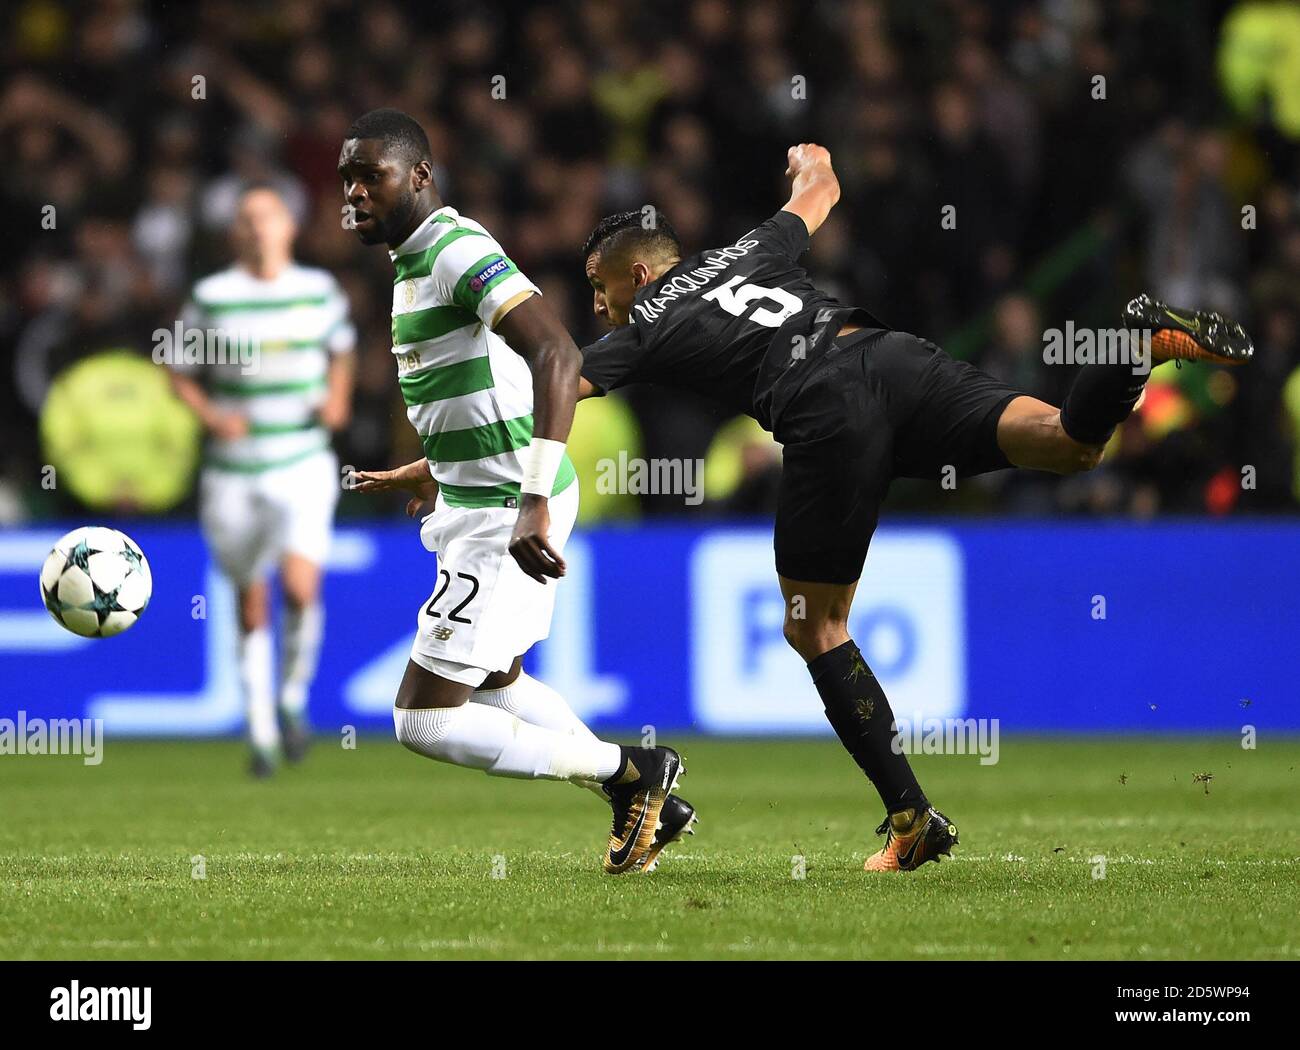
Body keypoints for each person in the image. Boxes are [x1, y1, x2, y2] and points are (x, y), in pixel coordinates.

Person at [577, 143, 1253, 872]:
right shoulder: (751, 250)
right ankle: (1130, 343)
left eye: (598, 287)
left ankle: (911, 818)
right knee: (1068, 443)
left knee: (816, 626)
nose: (596, 305)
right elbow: (821, 189)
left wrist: (437, 461)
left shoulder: (647, 320)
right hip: (890, 358)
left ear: (640, 275)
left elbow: (549, 390)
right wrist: (811, 157)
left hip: (824, 409)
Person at [338, 108, 695, 875]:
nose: (355, 194)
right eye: (347, 181)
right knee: (498, 682)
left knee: (421, 722)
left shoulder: (454, 248)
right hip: (481, 493)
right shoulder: (413, 261)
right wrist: (437, 465)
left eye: (372, 176)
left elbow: (557, 353)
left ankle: (632, 773)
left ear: (421, 176)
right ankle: (636, 790)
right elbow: (490, 382)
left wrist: (529, 497)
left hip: (506, 506)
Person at [168, 185, 356, 776]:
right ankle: (261, 732)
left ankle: (292, 698)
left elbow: (343, 350)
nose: (257, 228)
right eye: (246, 219)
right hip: (234, 470)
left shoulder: (318, 291)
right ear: (235, 232)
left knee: (300, 590)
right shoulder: (213, 296)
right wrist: (211, 417)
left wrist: (338, 400)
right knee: (250, 598)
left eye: (267, 217)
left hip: (302, 458)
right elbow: (177, 368)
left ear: (288, 228)